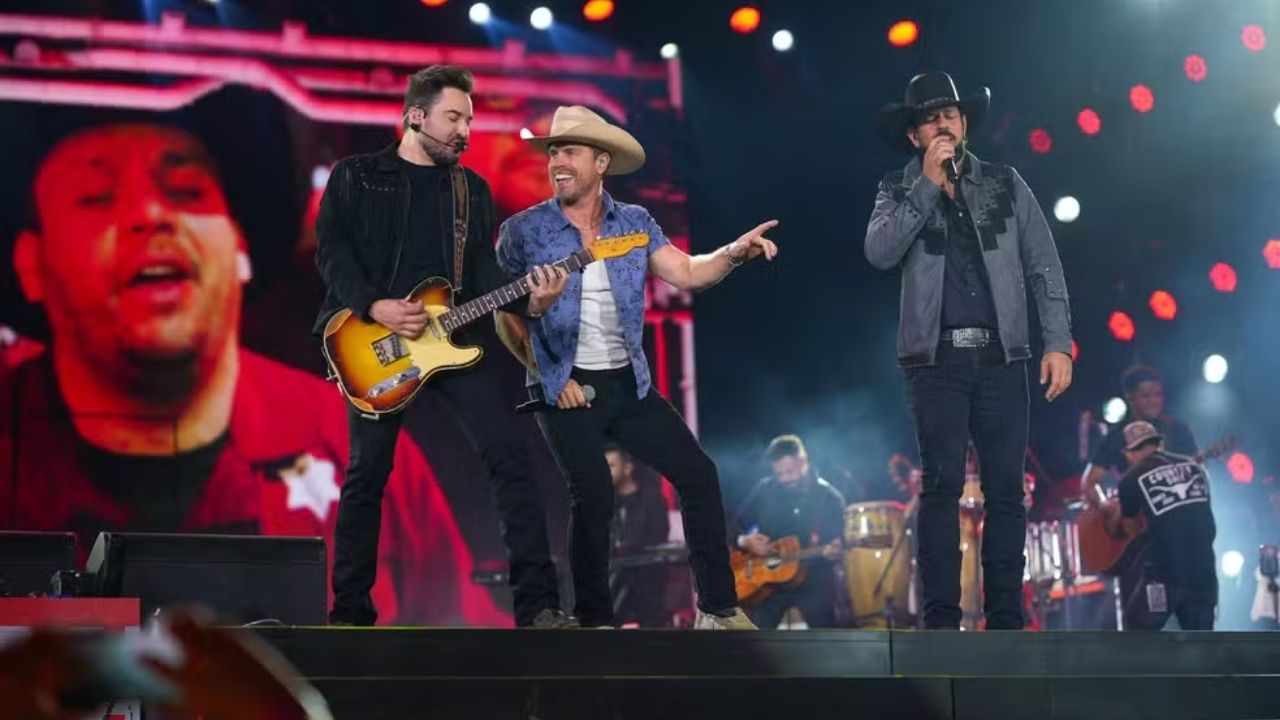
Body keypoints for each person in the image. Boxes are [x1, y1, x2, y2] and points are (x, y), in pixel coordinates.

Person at [1, 122, 505, 626]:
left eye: (186, 192)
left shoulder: (348, 438)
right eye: (96, 198)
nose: (152, 216)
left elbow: (464, 645)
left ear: (240, 246)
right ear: (30, 264)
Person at [495, 105, 778, 629]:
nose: (557, 162)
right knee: (594, 493)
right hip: (565, 385)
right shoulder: (523, 231)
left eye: (569, 151)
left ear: (601, 162)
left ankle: (717, 608)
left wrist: (734, 253)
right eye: (553, 152)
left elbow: (687, 272)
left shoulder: (635, 222)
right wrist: (553, 375)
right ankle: (594, 621)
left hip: (628, 382)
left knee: (698, 474)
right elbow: (505, 317)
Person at [314, 65, 574, 627]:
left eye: (469, 121)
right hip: (376, 340)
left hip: (456, 339)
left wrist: (532, 301)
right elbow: (332, 251)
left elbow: (483, 274)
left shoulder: (470, 190)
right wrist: (375, 305)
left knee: (510, 458)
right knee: (367, 474)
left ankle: (538, 606)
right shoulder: (357, 176)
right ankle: (350, 612)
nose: (464, 131)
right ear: (416, 116)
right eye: (454, 118)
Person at [864, 72, 1074, 630]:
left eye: (950, 115)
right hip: (936, 363)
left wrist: (1057, 343)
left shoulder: (1005, 183)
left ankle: (1005, 621)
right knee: (941, 489)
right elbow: (879, 252)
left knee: (1007, 491)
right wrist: (926, 186)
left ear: (964, 124)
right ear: (914, 136)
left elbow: (1044, 265)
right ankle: (941, 623)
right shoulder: (898, 188)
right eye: (930, 118)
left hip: (1003, 359)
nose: (942, 125)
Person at [1104, 421, 1217, 630]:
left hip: (1164, 574)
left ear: (1130, 453)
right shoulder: (1196, 468)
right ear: (1159, 444)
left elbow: (1131, 529)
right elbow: (1200, 513)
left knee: (1137, 632)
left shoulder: (1131, 478)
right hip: (1204, 571)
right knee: (1202, 640)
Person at [733, 435, 845, 629]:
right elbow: (734, 525)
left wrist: (834, 550)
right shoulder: (764, 490)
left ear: (804, 461)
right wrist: (745, 541)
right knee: (756, 637)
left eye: (790, 472)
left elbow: (838, 540)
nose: (784, 478)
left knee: (827, 633)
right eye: (779, 473)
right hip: (768, 584)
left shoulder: (830, 498)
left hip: (814, 580)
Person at [605, 443, 671, 627]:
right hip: (614, 584)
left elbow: (657, 538)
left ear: (627, 468)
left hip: (646, 584)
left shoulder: (651, 499)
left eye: (611, 466)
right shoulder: (606, 503)